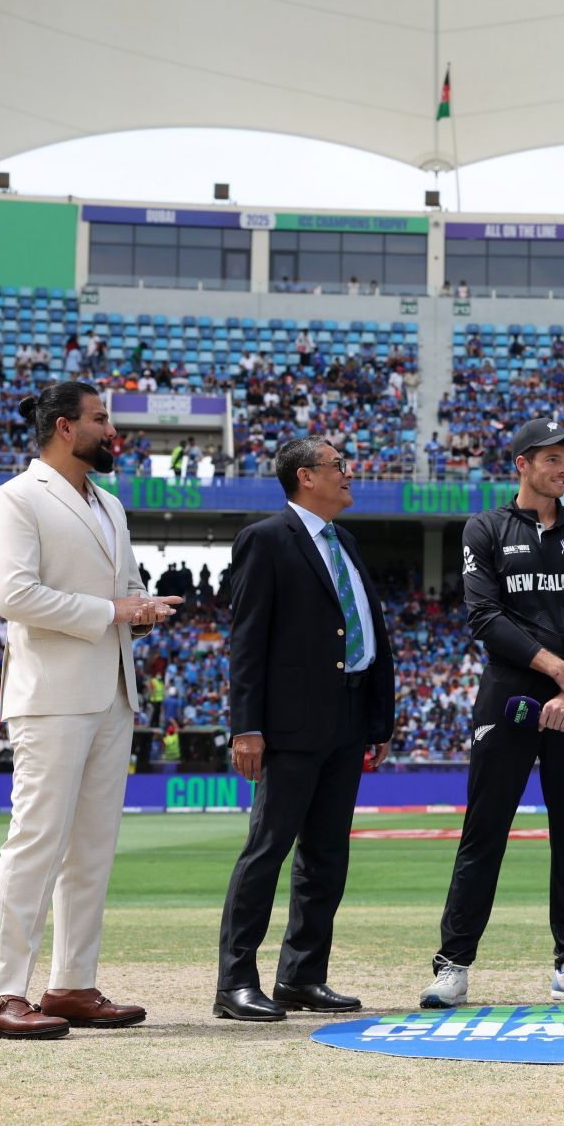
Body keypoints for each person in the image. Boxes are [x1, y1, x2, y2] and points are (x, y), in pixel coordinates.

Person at [0, 381, 183, 1041]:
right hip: (52, 697)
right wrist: (113, 612)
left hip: (113, 690)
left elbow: (122, 590)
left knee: (92, 850)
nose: (109, 431)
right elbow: (15, 596)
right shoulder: (14, 498)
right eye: (99, 420)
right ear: (65, 428)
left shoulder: (111, 506)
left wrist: (140, 608)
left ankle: (71, 984)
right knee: (37, 842)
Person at [422, 417, 564, 1009]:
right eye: (551, 459)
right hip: (509, 695)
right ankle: (453, 966)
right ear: (522, 464)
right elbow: (484, 617)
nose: (563, 469)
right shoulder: (484, 528)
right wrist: (557, 672)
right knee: (483, 833)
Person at [214, 437, 394, 1022]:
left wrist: (376, 719)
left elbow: (368, 633)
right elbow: (247, 641)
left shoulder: (345, 541)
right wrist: (247, 727)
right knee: (267, 851)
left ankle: (302, 976)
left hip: (346, 720)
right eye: (338, 466)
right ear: (304, 477)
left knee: (326, 856)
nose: (348, 474)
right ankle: (236, 982)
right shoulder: (265, 540)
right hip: (289, 727)